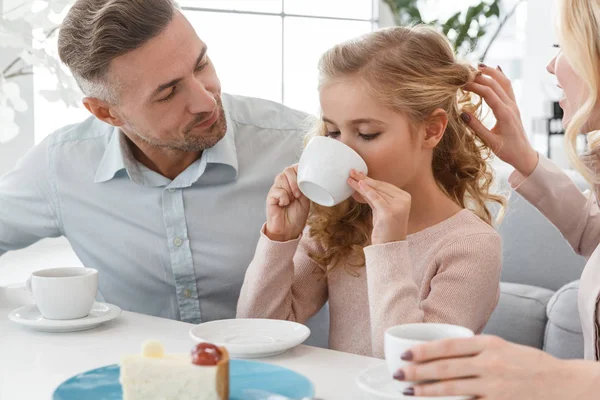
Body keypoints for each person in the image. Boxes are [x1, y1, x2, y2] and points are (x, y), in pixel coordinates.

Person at [0, 0, 310, 324]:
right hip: (140, 371)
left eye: (201, 64)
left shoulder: (298, 145)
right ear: (106, 113)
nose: (205, 101)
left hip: (295, 372)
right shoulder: (61, 166)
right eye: (168, 93)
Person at [237, 26, 505, 358]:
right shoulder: (341, 222)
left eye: (366, 133)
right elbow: (258, 334)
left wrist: (389, 247)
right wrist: (280, 237)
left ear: (431, 130)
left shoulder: (470, 246)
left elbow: (407, 370)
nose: (343, 151)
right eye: (333, 131)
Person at [391, 0, 600, 398]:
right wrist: (525, 158)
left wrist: (557, 379)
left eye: (564, 47)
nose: (551, 66)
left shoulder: (469, 243)